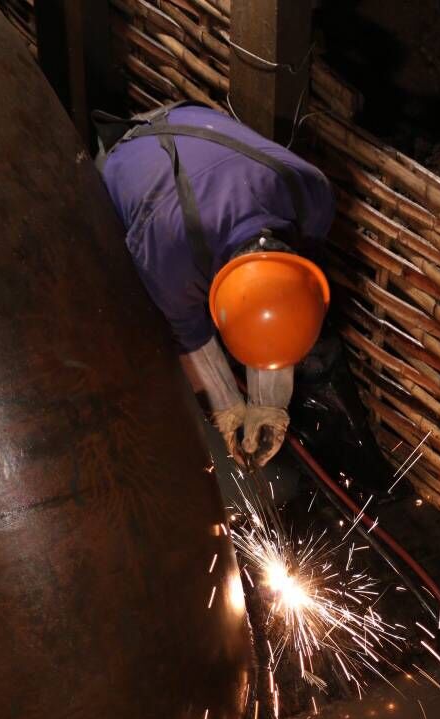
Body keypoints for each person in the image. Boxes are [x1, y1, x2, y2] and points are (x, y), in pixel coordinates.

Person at [95, 102, 335, 468]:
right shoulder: (168, 258)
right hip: (125, 154)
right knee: (135, 313)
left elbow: (278, 305)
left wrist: (269, 405)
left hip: (191, 116)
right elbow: (192, 342)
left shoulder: (312, 194)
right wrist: (227, 410)